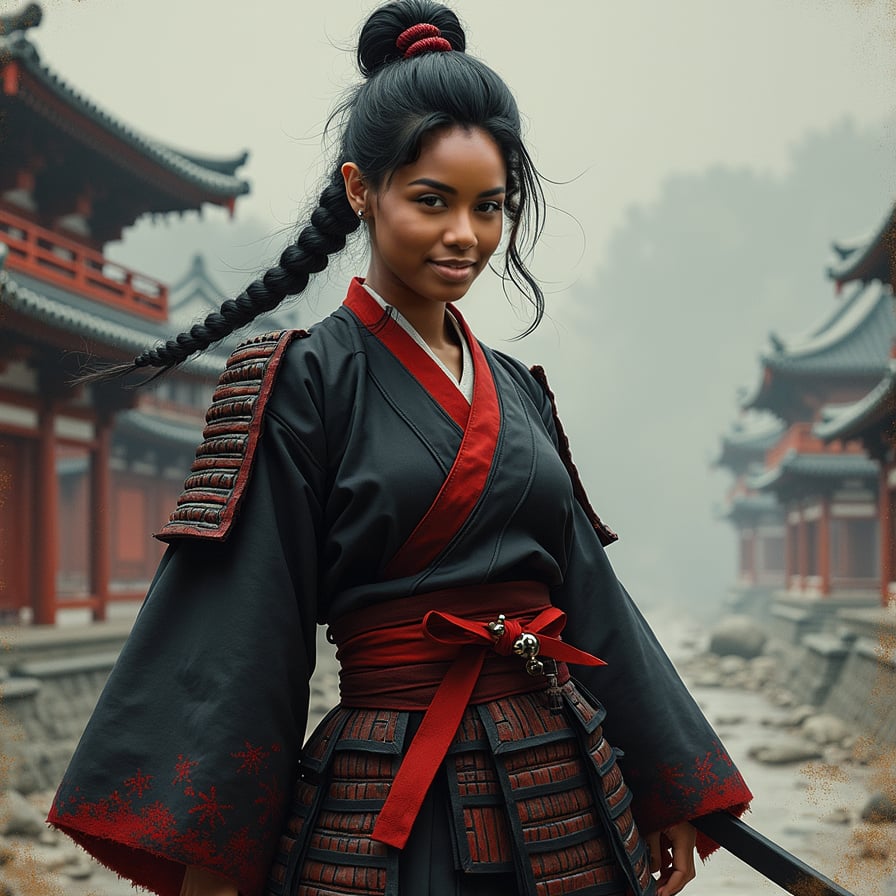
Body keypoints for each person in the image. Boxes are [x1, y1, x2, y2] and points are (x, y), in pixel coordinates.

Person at [48, 3, 752, 895]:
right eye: (432, 201)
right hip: (391, 803)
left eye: (488, 207)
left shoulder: (518, 387)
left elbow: (590, 596)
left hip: (565, 790)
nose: (465, 235)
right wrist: (212, 867)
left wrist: (665, 784)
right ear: (359, 190)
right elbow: (243, 633)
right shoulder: (299, 382)